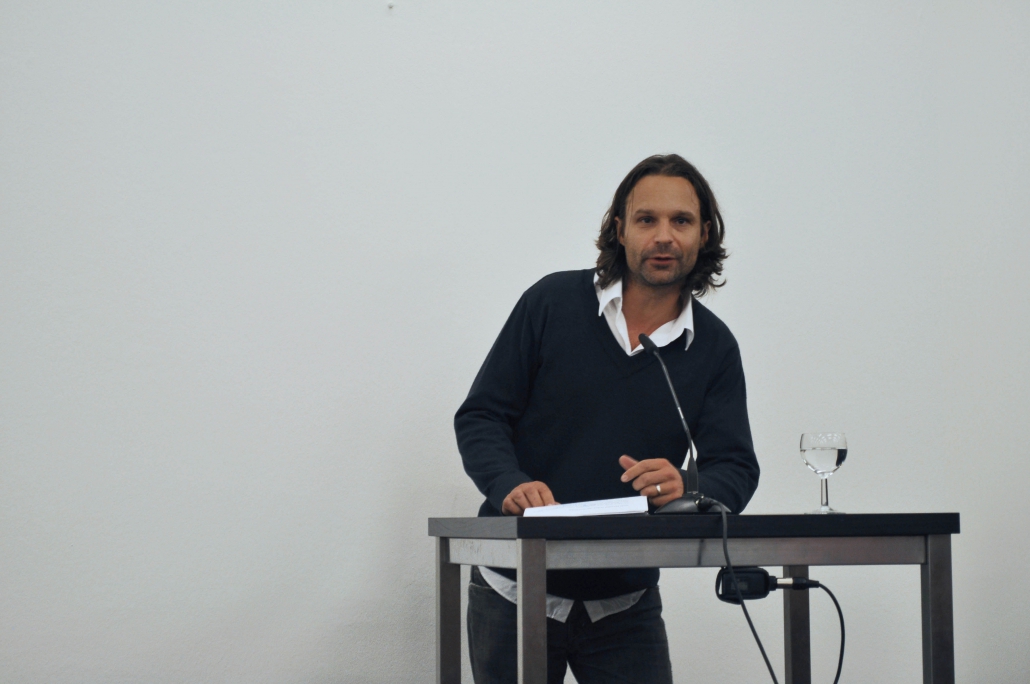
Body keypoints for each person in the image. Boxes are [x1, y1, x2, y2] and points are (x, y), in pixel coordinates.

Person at [454, 154, 760, 684]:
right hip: (515, 587)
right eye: (646, 219)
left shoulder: (714, 347)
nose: (663, 236)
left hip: (624, 602)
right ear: (620, 229)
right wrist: (509, 483)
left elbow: (735, 467)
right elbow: (482, 416)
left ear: (704, 234)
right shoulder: (551, 303)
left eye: (681, 221)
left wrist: (689, 485)